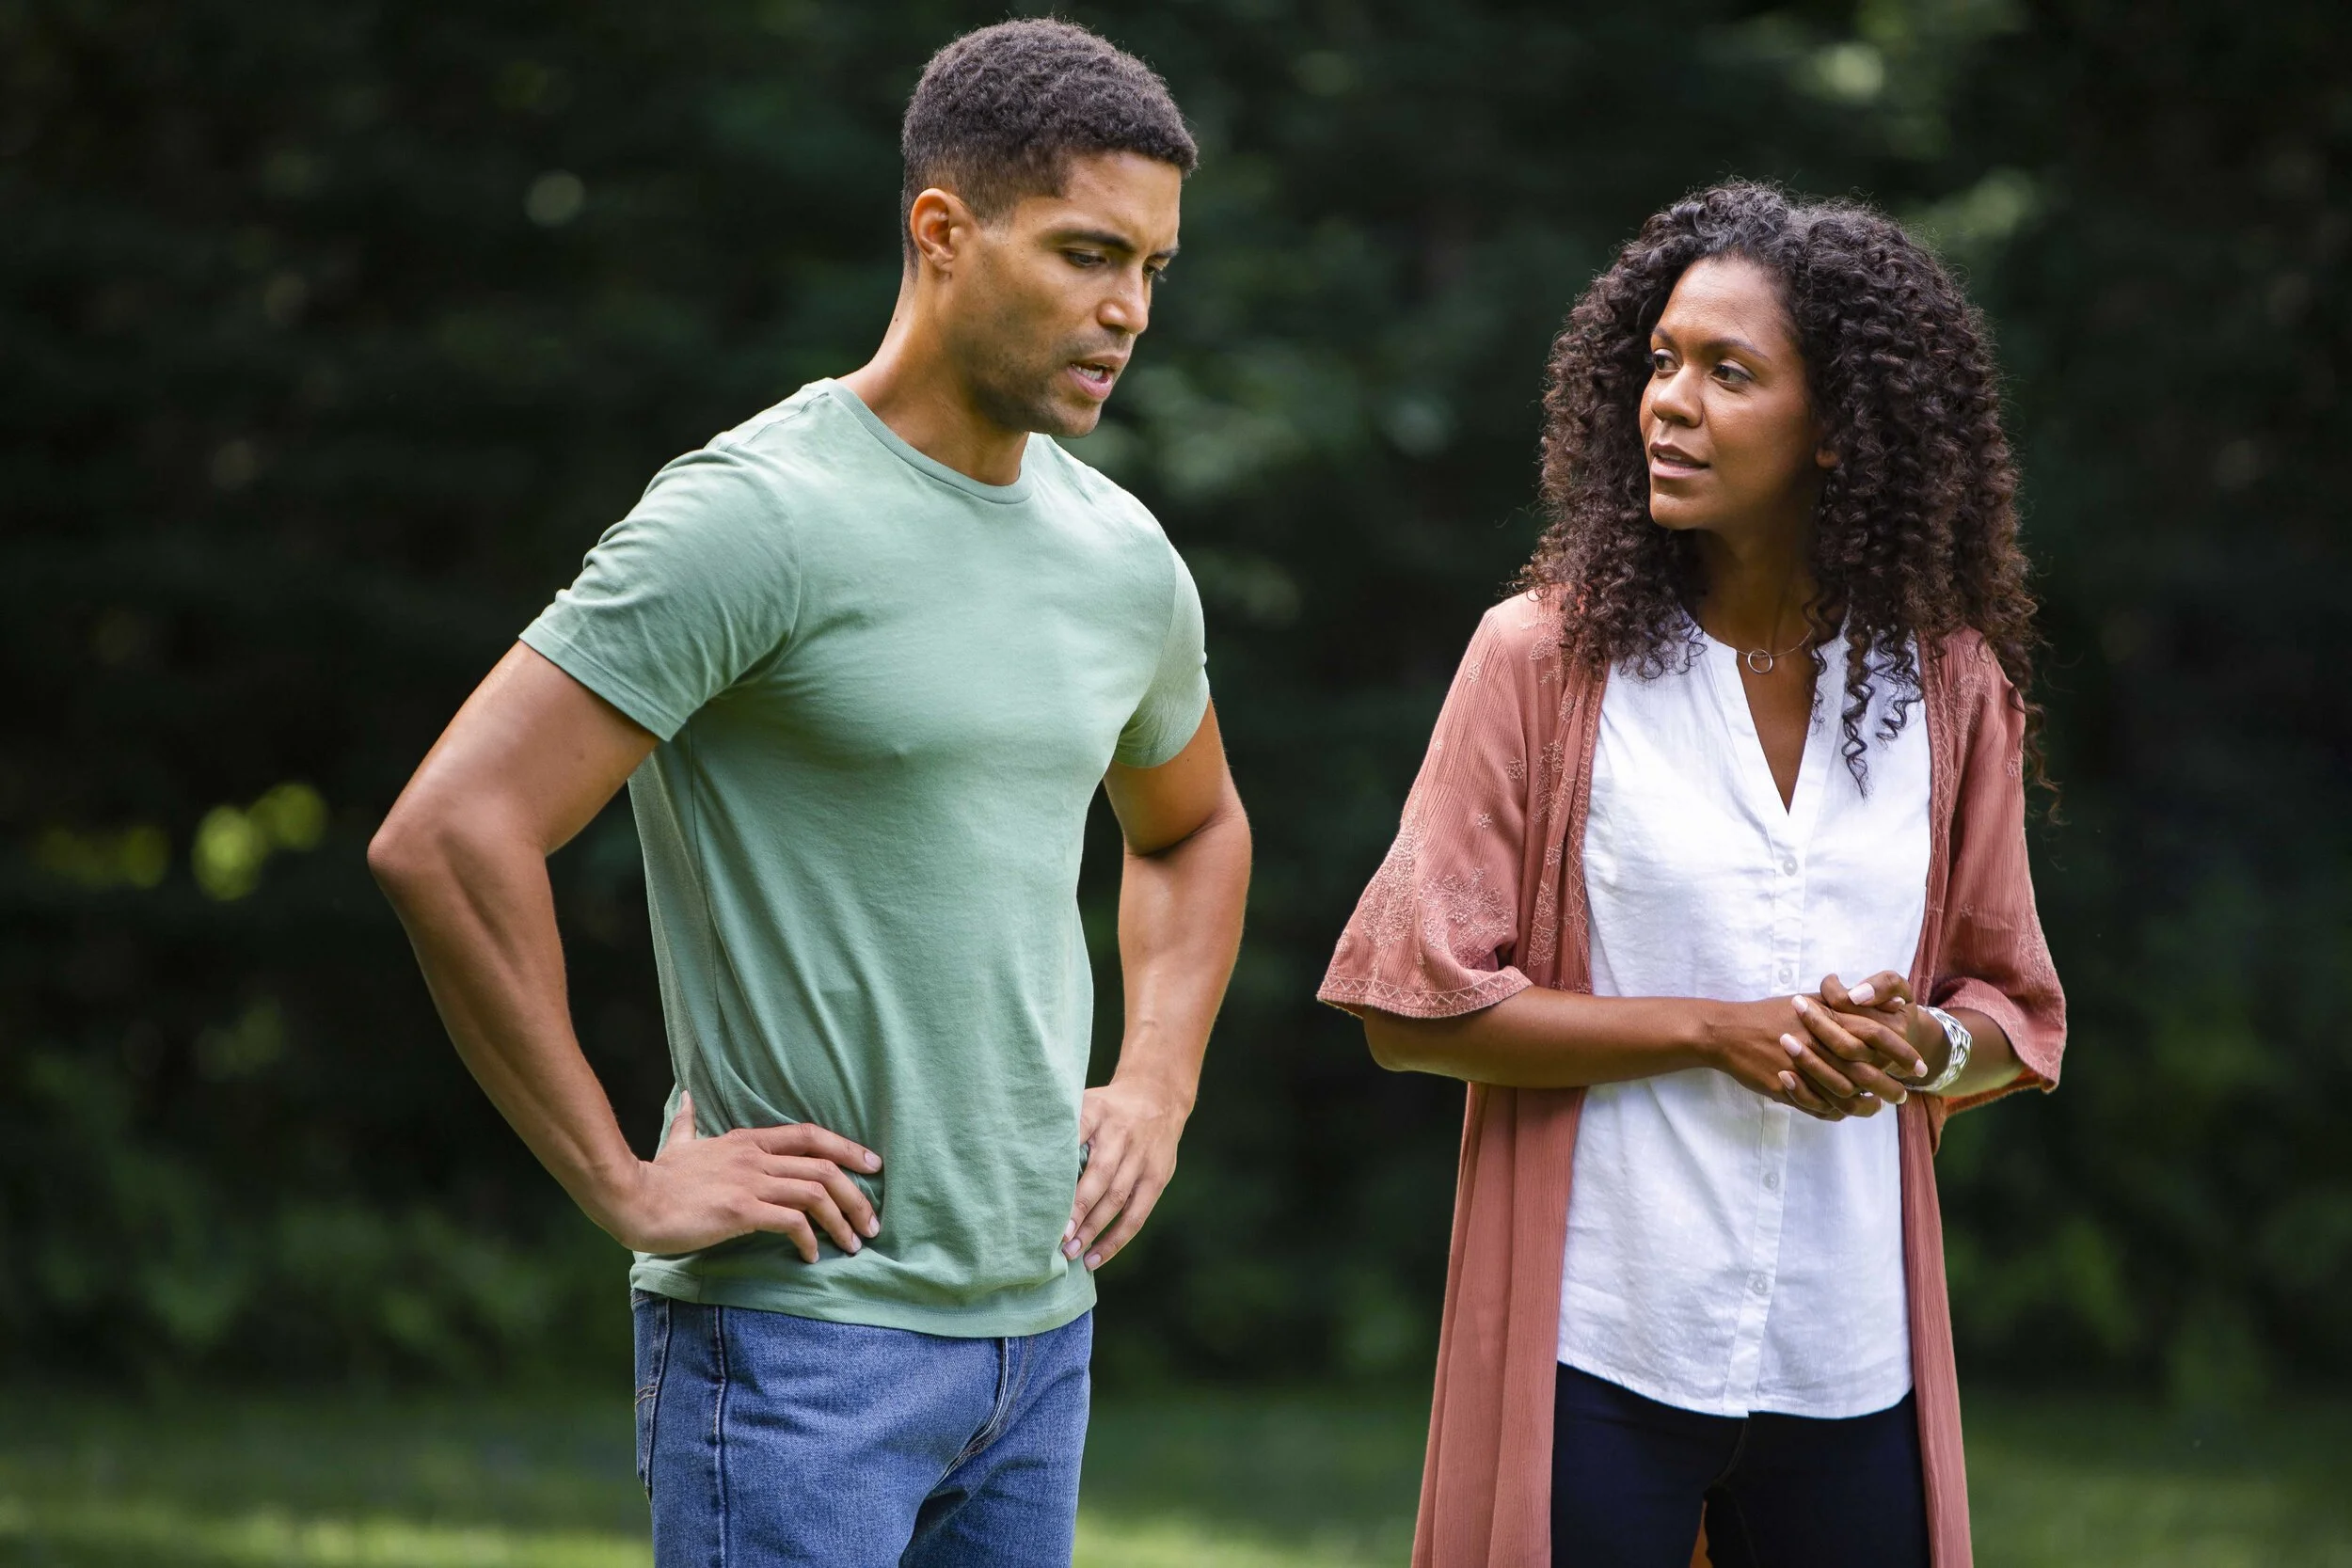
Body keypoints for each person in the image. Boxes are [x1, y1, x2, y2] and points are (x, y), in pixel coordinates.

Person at [367, 20, 1249, 1568]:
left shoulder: (1122, 558)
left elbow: (1191, 828)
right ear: (943, 231)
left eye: (1153, 268)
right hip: (797, 1345)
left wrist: (1158, 1084)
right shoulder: (755, 519)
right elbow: (448, 834)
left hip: (1037, 1340)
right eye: (1087, 253)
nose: (1127, 309)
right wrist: (622, 1180)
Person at [1319, 182, 2066, 1568]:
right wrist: (1719, 1031)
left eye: (1729, 372)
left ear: (1839, 427)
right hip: (1602, 1339)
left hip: (1852, 1354)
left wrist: (1917, 1045)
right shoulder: (1542, 663)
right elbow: (1410, 1006)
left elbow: (2008, 1012)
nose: (1668, 402)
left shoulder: (1951, 687)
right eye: (1660, 362)